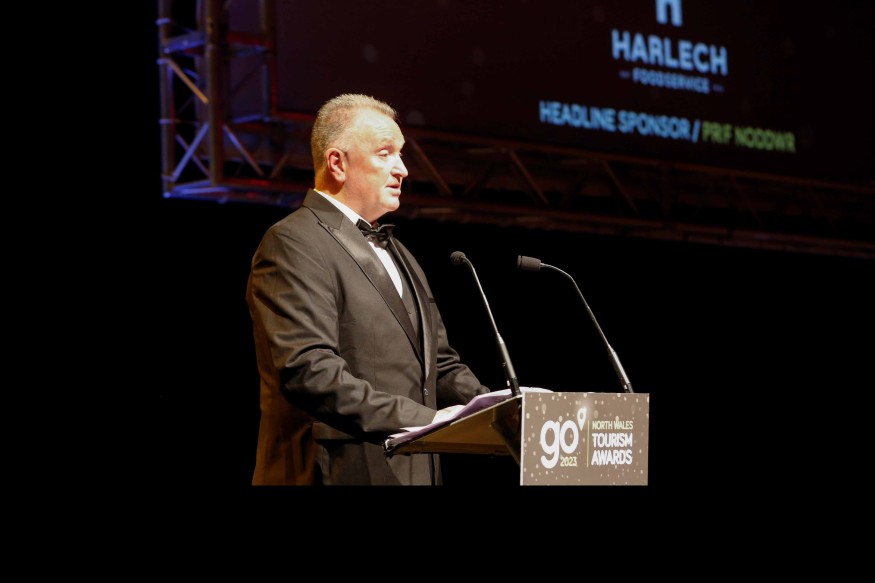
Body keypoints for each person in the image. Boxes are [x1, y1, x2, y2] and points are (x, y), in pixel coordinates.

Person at [246, 94, 492, 485]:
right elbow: (309, 372)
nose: (402, 169)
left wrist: (498, 409)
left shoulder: (401, 253)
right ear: (337, 163)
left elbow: (440, 364)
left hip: (415, 472)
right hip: (336, 472)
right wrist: (425, 420)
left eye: (401, 154)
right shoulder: (293, 242)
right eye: (385, 153)